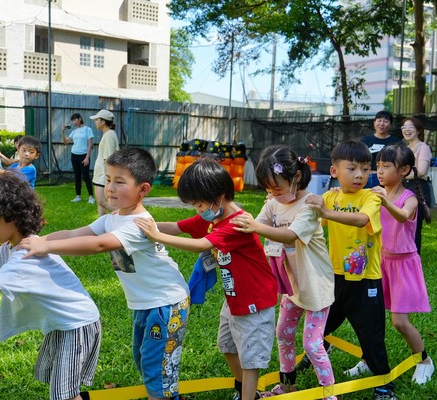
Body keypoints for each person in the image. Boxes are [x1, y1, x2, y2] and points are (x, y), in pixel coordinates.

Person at [19, 148, 190, 400]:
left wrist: (47, 247)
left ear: (143, 190)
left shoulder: (138, 223)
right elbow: (76, 234)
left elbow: (99, 244)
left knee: (157, 368)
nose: (110, 187)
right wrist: (37, 239)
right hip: (146, 302)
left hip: (167, 302)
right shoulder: (113, 217)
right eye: (108, 179)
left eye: (119, 182)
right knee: (143, 358)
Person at [0, 172, 102, 400]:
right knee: (60, 384)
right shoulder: (11, 247)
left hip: (77, 325)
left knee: (64, 394)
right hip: (64, 325)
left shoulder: (26, 256)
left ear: (10, 217)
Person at [134, 157, 277, 400]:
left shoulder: (238, 223)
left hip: (255, 301)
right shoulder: (213, 218)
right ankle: (246, 390)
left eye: (198, 205)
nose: (197, 211)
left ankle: (249, 395)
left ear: (218, 197)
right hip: (234, 299)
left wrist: (156, 236)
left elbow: (199, 245)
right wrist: (135, 225)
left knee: (250, 359)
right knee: (227, 347)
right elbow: (177, 226)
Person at [231, 146, 336, 399]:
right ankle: (287, 386)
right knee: (283, 334)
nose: (272, 194)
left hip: (315, 285)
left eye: (276, 188)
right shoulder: (274, 204)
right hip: (291, 284)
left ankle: (329, 394)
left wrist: (255, 225)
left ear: (296, 178)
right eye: (268, 189)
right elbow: (259, 224)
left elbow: (290, 235)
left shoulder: (309, 206)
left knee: (312, 344)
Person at [305, 140, 396, 400]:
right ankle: (314, 356)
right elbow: (308, 216)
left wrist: (327, 212)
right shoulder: (330, 197)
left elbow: (362, 219)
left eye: (366, 169)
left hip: (366, 280)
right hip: (333, 278)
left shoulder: (371, 197)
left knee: (371, 335)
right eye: (353, 168)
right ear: (334, 171)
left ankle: (384, 385)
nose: (360, 175)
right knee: (319, 328)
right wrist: (281, 199)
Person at [372, 144, 434, 384]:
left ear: (404, 170)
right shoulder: (376, 192)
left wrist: (385, 203)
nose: (379, 171)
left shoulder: (410, 198)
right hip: (380, 262)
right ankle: (369, 360)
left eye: (385, 166)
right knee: (372, 317)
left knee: (399, 321)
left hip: (403, 265)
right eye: (378, 166)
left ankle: (425, 361)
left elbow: (404, 215)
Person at [401, 117, 433, 253]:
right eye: (404, 127)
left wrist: (398, 176)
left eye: (410, 127)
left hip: (418, 188)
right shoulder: (405, 149)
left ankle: (414, 257)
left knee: (414, 226)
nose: (406, 130)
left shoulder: (423, 148)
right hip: (404, 187)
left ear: (419, 130)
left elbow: (421, 171)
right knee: (403, 225)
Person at [360, 111, 403, 188]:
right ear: (374, 123)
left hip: (387, 179)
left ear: (390, 125)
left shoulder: (396, 142)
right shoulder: (364, 141)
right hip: (366, 177)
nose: (382, 124)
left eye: (385, 121)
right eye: (379, 120)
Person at [90, 109, 119, 216]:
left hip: (104, 174)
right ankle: (100, 229)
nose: (95, 122)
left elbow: (109, 158)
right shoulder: (107, 134)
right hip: (100, 174)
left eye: (97, 120)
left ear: (103, 121)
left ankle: (127, 217)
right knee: (100, 203)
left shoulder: (109, 135)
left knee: (102, 201)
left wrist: (108, 178)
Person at [62, 113, 95, 204]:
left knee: (86, 176)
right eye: (72, 120)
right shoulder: (74, 131)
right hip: (74, 155)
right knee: (77, 176)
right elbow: (65, 142)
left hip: (83, 155)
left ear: (80, 119)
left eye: (75, 120)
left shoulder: (88, 129)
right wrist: (63, 132)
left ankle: (91, 197)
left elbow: (90, 145)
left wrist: (87, 158)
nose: (73, 122)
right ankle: (78, 196)